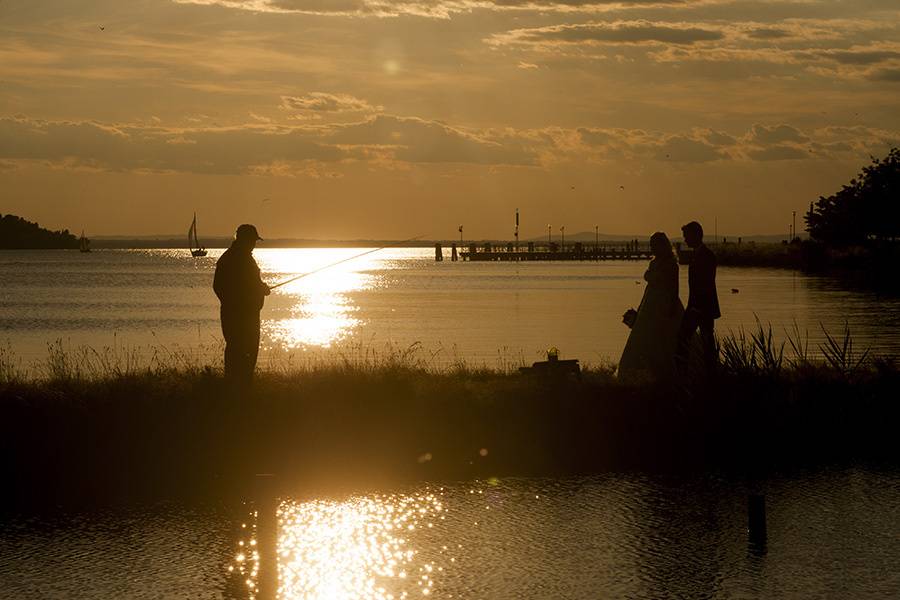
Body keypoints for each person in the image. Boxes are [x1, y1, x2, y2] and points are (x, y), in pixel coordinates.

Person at [618, 232, 684, 383]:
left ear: (663, 245)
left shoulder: (671, 264)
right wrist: (640, 307)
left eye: (655, 245)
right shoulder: (653, 263)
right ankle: (636, 374)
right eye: (651, 244)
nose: (652, 248)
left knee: (666, 339)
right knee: (642, 339)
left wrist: (672, 306)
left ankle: (669, 374)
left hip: (665, 304)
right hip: (650, 303)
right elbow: (648, 288)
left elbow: (675, 287)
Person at [213, 224, 270, 384]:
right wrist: (246, 299)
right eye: (252, 240)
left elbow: (251, 283)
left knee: (244, 353)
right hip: (241, 316)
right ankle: (238, 391)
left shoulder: (236, 257)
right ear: (245, 240)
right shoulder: (236, 258)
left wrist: (261, 288)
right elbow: (221, 287)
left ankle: (239, 389)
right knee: (241, 352)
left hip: (245, 314)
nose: (254, 244)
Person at [676, 220, 720, 377]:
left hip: (702, 307)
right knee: (691, 339)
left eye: (686, 236)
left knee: (690, 339)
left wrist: (696, 307)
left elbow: (706, 284)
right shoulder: (697, 255)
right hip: (696, 306)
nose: (685, 240)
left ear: (696, 235)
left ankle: (703, 372)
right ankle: (697, 371)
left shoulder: (707, 256)